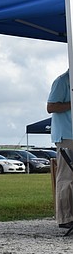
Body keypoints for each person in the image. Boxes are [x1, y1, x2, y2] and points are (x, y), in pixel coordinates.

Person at [47, 70, 73, 229]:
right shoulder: (62, 81)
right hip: (66, 136)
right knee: (66, 178)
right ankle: (65, 218)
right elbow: (51, 107)